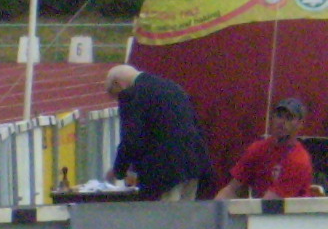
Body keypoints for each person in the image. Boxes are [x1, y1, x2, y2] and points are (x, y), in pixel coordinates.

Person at [105, 64, 218, 201]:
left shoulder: (132, 94)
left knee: (165, 219)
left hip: (164, 173)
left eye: (115, 94)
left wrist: (118, 170)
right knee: (185, 219)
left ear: (118, 84)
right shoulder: (172, 87)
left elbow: (132, 139)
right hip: (193, 166)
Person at [215, 97, 322, 199]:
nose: (282, 122)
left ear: (300, 124)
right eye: (279, 116)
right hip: (264, 211)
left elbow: (270, 204)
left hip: (290, 216)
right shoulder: (257, 149)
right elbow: (231, 189)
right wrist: (213, 213)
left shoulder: (299, 160)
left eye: (289, 118)